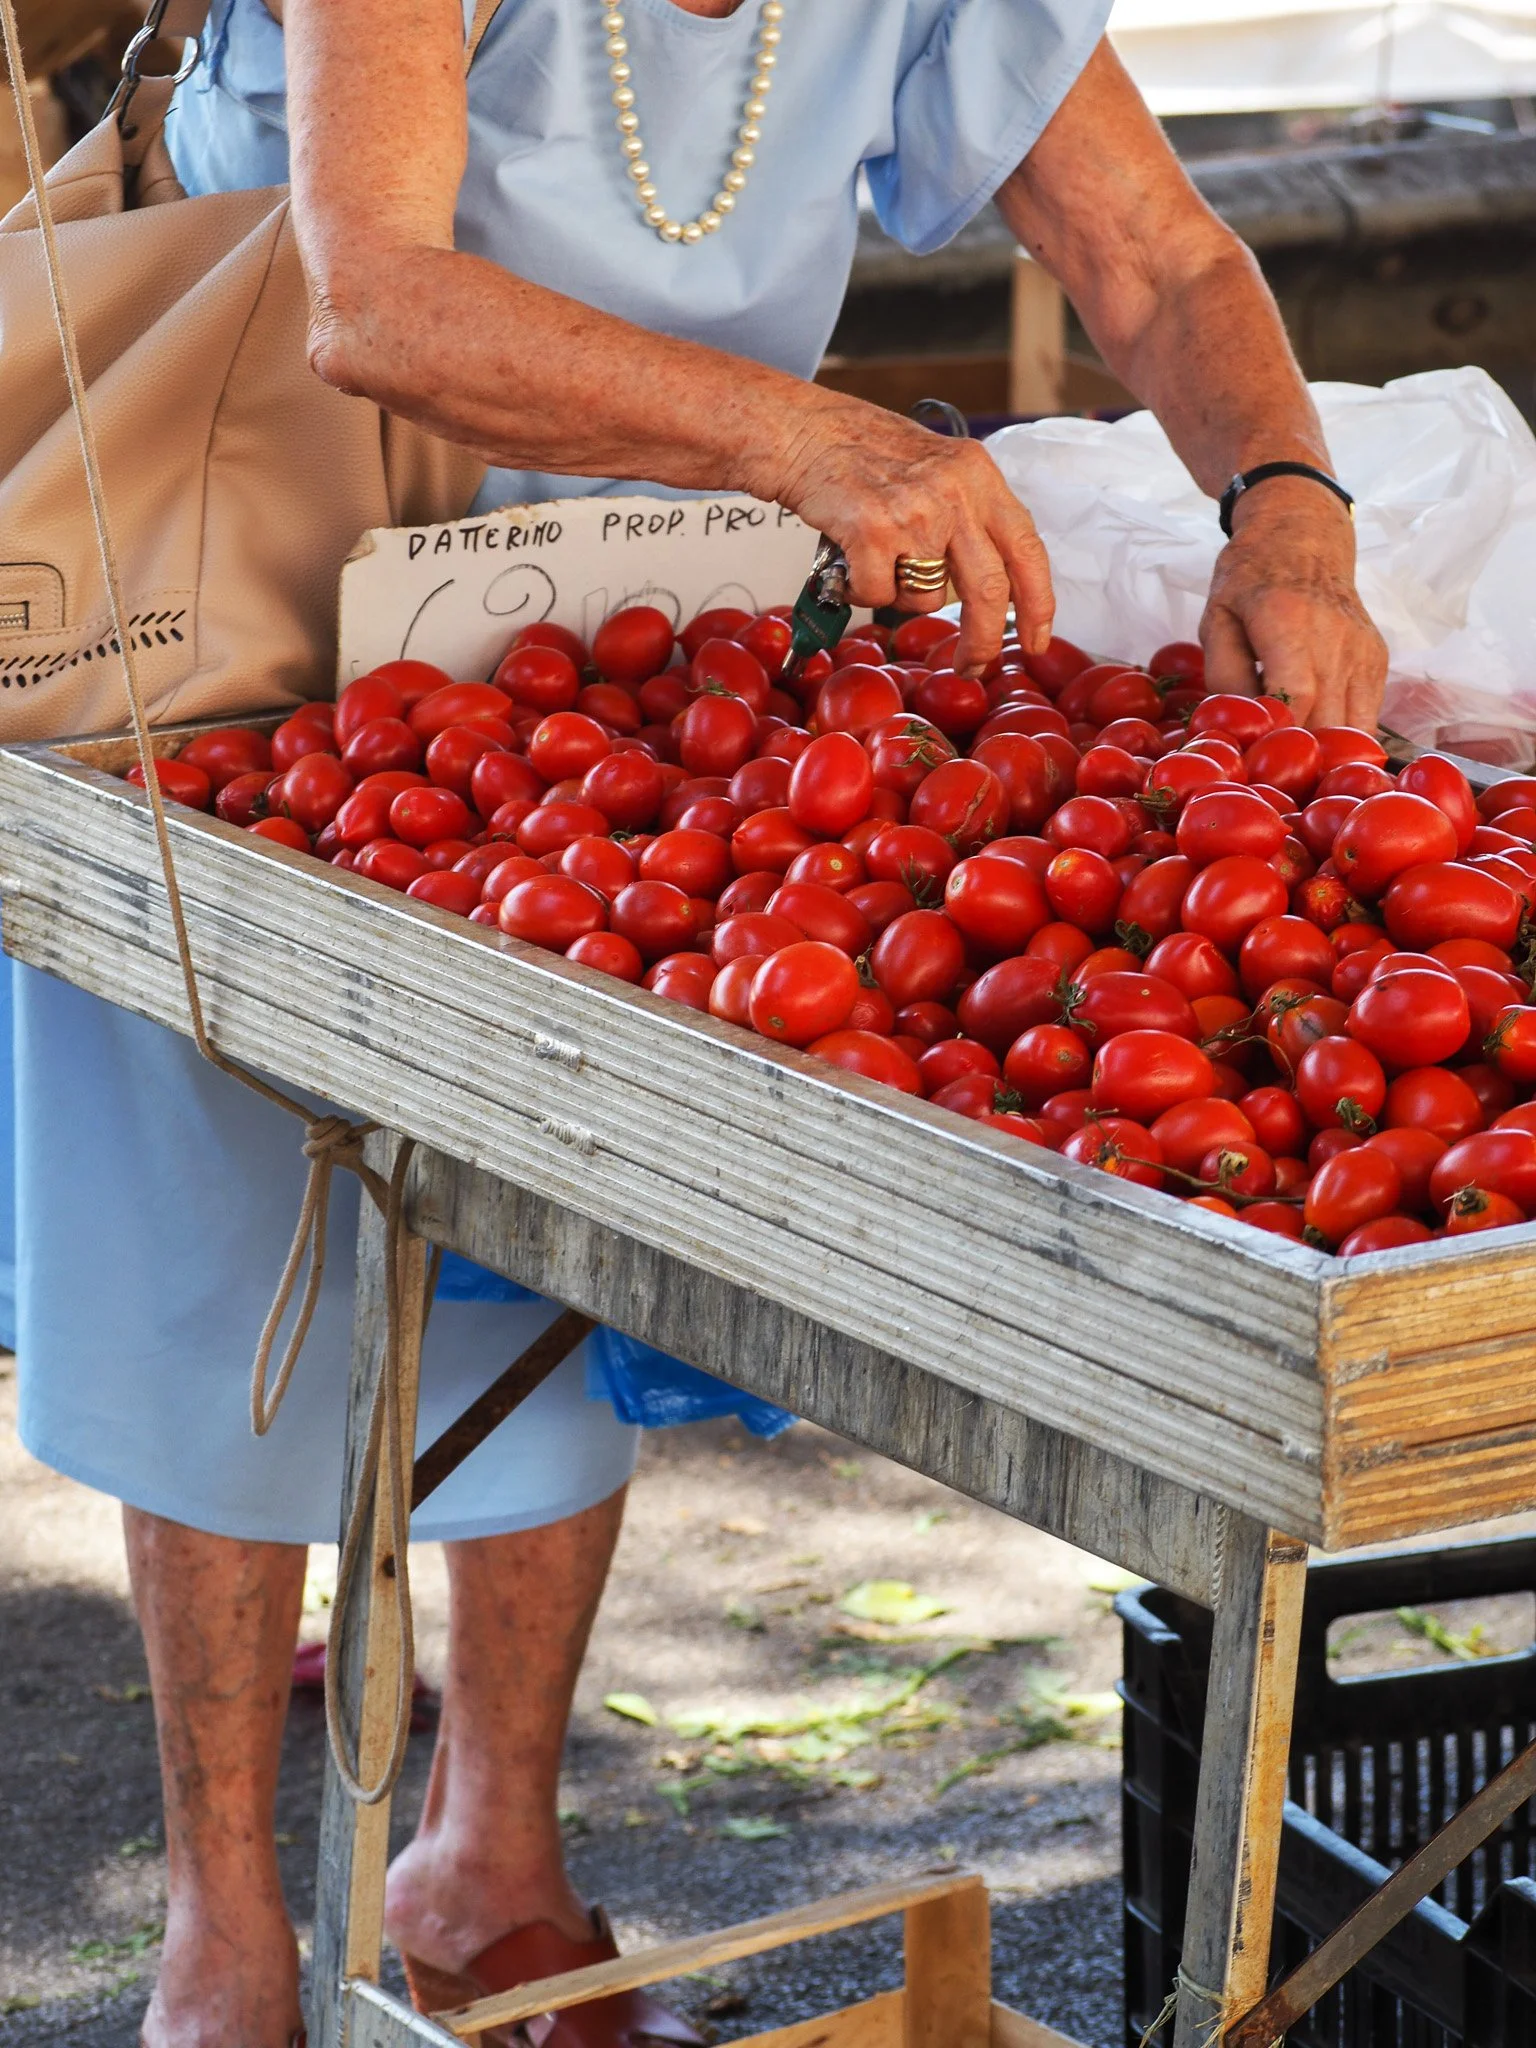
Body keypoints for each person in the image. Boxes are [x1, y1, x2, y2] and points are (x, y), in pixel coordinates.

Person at [9, 1, 1388, 2045]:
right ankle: (223, 1940)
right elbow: (370, 297)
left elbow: (1164, 258)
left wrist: (1286, 495)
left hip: (614, 624)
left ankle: (492, 1867)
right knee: (233, 1272)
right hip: (258, 605)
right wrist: (824, 438)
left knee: (561, 1228)